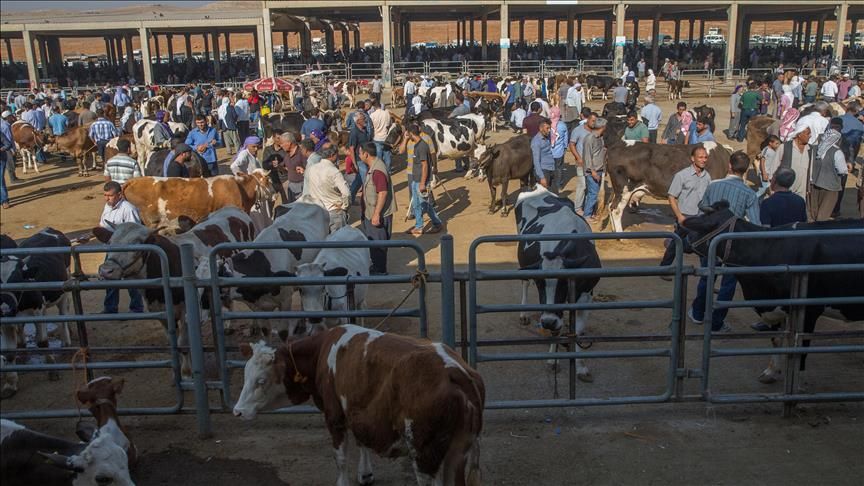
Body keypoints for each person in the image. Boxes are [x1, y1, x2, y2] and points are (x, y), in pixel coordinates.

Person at [689, 151, 761, 333]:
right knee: (728, 284)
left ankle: (697, 313)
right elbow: (755, 224)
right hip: (733, 246)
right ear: (746, 170)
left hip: (711, 240)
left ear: (729, 165)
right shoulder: (750, 194)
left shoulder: (713, 185)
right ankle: (716, 322)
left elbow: (702, 206)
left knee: (707, 277)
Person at [660, 146, 712, 269]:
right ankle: (663, 268)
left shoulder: (707, 176)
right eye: (700, 157)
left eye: (705, 157)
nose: (704, 160)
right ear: (693, 158)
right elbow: (671, 196)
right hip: (685, 217)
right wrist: (679, 216)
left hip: (701, 216)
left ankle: (705, 274)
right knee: (676, 244)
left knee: (703, 244)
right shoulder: (682, 175)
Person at [99, 181, 144, 314]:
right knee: (109, 277)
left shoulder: (128, 209)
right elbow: (102, 226)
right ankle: (110, 308)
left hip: (125, 251)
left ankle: (137, 308)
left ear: (119, 195)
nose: (107, 198)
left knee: (130, 279)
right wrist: (89, 235)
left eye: (110, 195)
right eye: (105, 195)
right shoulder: (107, 207)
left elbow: (133, 231)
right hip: (112, 249)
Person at [357, 142, 394, 275]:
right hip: (371, 212)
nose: (359, 155)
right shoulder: (374, 166)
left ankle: (380, 271)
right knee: (375, 243)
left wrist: (376, 214)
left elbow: (382, 193)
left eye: (360, 153)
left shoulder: (377, 170)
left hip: (376, 213)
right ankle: (378, 267)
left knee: (378, 243)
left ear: (366, 154)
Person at [406, 124, 443, 236]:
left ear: (411, 133)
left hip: (420, 181)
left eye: (408, 134)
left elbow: (425, 165)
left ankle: (437, 223)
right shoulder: (418, 144)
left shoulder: (421, 146)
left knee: (424, 204)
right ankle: (419, 226)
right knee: (417, 204)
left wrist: (422, 183)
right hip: (416, 179)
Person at [304, 144, 351, 232]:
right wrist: (344, 206)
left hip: (319, 212)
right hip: (334, 212)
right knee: (338, 239)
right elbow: (346, 193)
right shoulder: (334, 171)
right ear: (333, 155)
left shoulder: (311, 169)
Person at [808, 127, 848, 222]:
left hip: (814, 184)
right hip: (830, 187)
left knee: (813, 211)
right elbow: (842, 170)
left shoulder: (814, 149)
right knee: (824, 213)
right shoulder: (837, 152)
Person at [773, 125, 812, 199]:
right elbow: (774, 167)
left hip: (801, 192)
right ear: (799, 134)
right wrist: (773, 185)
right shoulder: (784, 147)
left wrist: (808, 188)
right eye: (808, 134)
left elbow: (810, 172)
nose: (810, 136)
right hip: (785, 190)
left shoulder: (810, 149)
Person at [568, 109, 595, 211]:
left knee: (591, 186)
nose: (594, 123)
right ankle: (578, 207)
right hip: (581, 162)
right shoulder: (578, 130)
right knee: (582, 185)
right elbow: (572, 144)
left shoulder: (596, 131)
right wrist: (578, 158)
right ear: (588, 120)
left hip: (593, 163)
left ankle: (588, 208)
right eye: (593, 121)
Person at [581, 118, 607, 220]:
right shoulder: (589, 138)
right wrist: (593, 172)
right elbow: (587, 157)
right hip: (592, 171)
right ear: (602, 127)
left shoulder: (600, 138)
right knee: (593, 193)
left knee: (592, 193)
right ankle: (587, 215)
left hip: (599, 169)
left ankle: (590, 213)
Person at [348, 112, 372, 201]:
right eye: (363, 119)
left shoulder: (364, 130)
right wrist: (355, 164)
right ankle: (367, 200)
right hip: (359, 160)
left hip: (366, 159)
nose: (365, 120)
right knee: (365, 180)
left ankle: (350, 198)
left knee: (358, 181)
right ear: (358, 121)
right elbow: (351, 149)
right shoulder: (354, 132)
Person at [531, 118, 557, 192]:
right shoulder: (536, 142)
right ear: (541, 128)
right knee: (545, 195)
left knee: (554, 193)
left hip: (551, 168)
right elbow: (536, 161)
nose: (549, 130)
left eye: (550, 128)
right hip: (543, 171)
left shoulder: (547, 137)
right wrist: (542, 177)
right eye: (547, 128)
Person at [369, 100, 392, 172]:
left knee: (379, 156)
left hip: (377, 138)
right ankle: (388, 171)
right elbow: (389, 124)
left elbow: (371, 127)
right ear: (380, 105)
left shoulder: (372, 115)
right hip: (386, 138)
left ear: (374, 107)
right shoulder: (386, 113)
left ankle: (381, 170)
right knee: (387, 155)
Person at [0, 110, 17, 183]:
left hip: (6, 146)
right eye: (10, 116)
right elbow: (9, 138)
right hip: (8, 147)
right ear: (7, 117)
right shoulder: (6, 126)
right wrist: (13, 149)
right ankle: (13, 179)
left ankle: (14, 177)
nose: (12, 118)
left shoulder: (5, 124)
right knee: (10, 163)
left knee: (11, 162)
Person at [0, 124, 12, 208]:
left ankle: (4, 200)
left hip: (1, 159)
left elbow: (8, 144)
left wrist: (1, 149)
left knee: (0, 180)